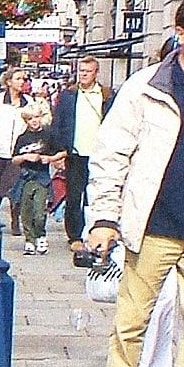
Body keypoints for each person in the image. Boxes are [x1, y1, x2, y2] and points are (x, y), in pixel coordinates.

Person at [88, 0, 184, 367]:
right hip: (152, 224)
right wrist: (103, 217)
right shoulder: (147, 86)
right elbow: (111, 153)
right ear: (181, 34)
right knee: (132, 323)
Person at [52, 56, 115, 253]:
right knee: (74, 197)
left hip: (99, 155)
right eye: (81, 71)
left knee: (95, 197)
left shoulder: (106, 95)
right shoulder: (69, 95)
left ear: (96, 73)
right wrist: (59, 152)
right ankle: (74, 236)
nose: (84, 74)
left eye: (88, 71)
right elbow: (58, 123)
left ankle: (94, 234)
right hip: (75, 154)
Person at [9, 102, 64, 255]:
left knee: (39, 211)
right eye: (30, 119)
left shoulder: (49, 135)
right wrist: (25, 157)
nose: (34, 121)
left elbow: (63, 151)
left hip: (42, 177)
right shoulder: (22, 138)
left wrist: (50, 158)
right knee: (26, 211)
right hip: (26, 177)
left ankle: (40, 235)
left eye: (36, 117)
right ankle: (29, 239)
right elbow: (14, 159)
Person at [0, 67, 31, 234]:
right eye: (18, 79)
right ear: (8, 82)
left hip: (19, 153)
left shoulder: (28, 102)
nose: (22, 82)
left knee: (16, 188)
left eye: (23, 79)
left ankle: (15, 220)